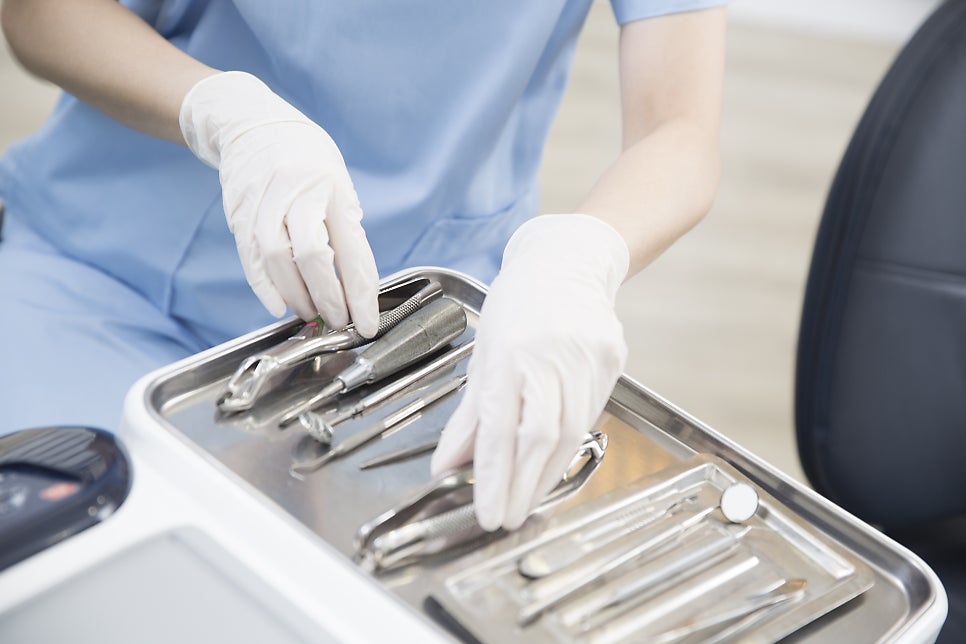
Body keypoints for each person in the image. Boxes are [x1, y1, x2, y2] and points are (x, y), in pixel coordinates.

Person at [0, 0, 726, 531]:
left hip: (404, 330)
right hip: (100, 268)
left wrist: (578, 255)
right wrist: (222, 111)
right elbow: (39, 14)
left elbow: (677, 130)